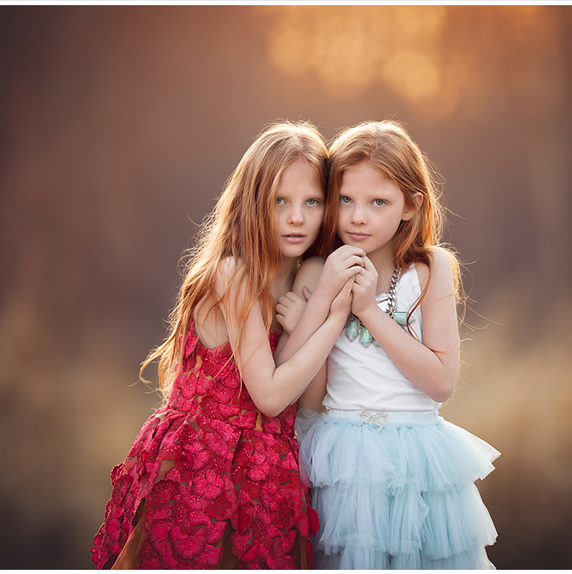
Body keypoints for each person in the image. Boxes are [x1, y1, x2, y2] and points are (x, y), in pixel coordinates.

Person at [90, 121, 362, 569]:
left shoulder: (305, 275)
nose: (297, 217)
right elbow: (271, 397)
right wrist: (331, 318)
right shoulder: (233, 274)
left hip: (269, 476)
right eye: (280, 202)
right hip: (200, 470)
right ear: (254, 202)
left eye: (311, 201)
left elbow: (308, 401)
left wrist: (309, 316)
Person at [276, 120, 500, 569]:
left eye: (378, 202)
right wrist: (313, 320)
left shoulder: (429, 269)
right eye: (345, 200)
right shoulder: (318, 272)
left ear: (410, 206)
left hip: (416, 456)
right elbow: (306, 399)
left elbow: (440, 382)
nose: (358, 217)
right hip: (343, 460)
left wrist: (370, 313)